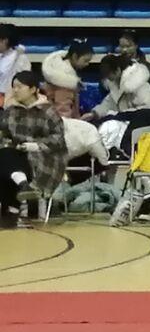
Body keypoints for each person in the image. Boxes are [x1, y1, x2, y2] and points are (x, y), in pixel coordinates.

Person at [1, 69, 66, 229]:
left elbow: (58, 139)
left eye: (19, 87)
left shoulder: (48, 111)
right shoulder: (11, 111)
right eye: (13, 87)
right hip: (15, 155)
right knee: (5, 156)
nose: (15, 90)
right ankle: (22, 188)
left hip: (44, 157)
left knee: (5, 161)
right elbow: (4, 134)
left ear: (33, 89)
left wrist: (34, 145)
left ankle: (11, 209)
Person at [39, 40, 95, 117]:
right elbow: (63, 110)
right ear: (75, 56)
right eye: (85, 61)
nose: (87, 64)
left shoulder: (58, 71)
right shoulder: (64, 81)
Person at [0, 25, 24, 98]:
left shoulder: (20, 59)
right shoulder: (1, 55)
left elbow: (24, 83)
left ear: (5, 41)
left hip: (9, 97)